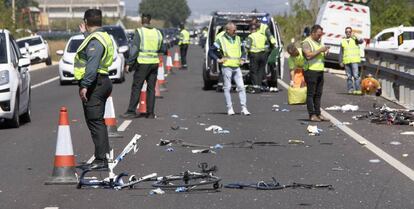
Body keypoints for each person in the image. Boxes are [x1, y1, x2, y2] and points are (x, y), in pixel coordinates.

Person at [75, 9, 114, 169]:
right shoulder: (102, 36)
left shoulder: (96, 40)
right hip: (103, 81)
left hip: (95, 83)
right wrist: (85, 34)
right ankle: (103, 156)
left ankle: (101, 160)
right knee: (98, 121)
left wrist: (85, 85)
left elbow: (92, 64)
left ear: (85, 21)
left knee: (95, 122)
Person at [121, 13, 164, 119]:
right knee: (151, 88)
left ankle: (131, 111)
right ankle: (150, 113)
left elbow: (134, 49)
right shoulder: (157, 32)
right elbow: (162, 48)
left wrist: (129, 63)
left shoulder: (140, 32)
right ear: (150, 20)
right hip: (154, 63)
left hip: (143, 63)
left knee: (137, 87)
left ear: (141, 21)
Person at [208, 22, 251, 116]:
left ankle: (244, 108)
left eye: (236, 29)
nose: (236, 31)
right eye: (234, 30)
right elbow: (211, 51)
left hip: (237, 67)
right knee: (227, 88)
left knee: (241, 87)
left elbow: (243, 50)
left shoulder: (238, 38)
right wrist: (218, 59)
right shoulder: (221, 40)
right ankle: (230, 108)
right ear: (228, 30)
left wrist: (243, 58)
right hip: (227, 67)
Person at [301, 24, 330, 122]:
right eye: (318, 34)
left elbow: (319, 55)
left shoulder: (318, 42)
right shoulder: (306, 42)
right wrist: (320, 50)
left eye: (321, 34)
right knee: (311, 94)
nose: (320, 36)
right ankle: (312, 115)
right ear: (312, 33)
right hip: (310, 71)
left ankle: (318, 113)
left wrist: (325, 52)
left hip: (319, 70)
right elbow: (308, 56)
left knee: (318, 94)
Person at [251, 17, 278, 91]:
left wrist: (274, 43)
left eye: (254, 24)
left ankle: (266, 83)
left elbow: (270, 36)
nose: (253, 26)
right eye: (252, 25)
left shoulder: (264, 27)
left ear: (258, 23)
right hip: (258, 50)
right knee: (260, 68)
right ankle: (261, 83)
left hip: (266, 49)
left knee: (264, 67)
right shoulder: (254, 28)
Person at [339, 27, 363, 94]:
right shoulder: (343, 41)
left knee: (356, 76)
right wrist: (340, 61)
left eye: (349, 32)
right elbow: (341, 52)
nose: (348, 33)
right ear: (345, 33)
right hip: (346, 61)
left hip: (354, 61)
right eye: (347, 32)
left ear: (351, 32)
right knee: (349, 77)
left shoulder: (355, 39)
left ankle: (357, 90)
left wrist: (355, 35)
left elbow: (361, 41)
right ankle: (350, 89)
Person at [246, 24, 267, 93]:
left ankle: (255, 87)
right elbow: (267, 45)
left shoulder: (250, 36)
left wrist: (246, 53)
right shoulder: (263, 36)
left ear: (250, 30)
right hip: (263, 55)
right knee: (260, 71)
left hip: (254, 55)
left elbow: (248, 46)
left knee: (253, 71)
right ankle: (259, 86)